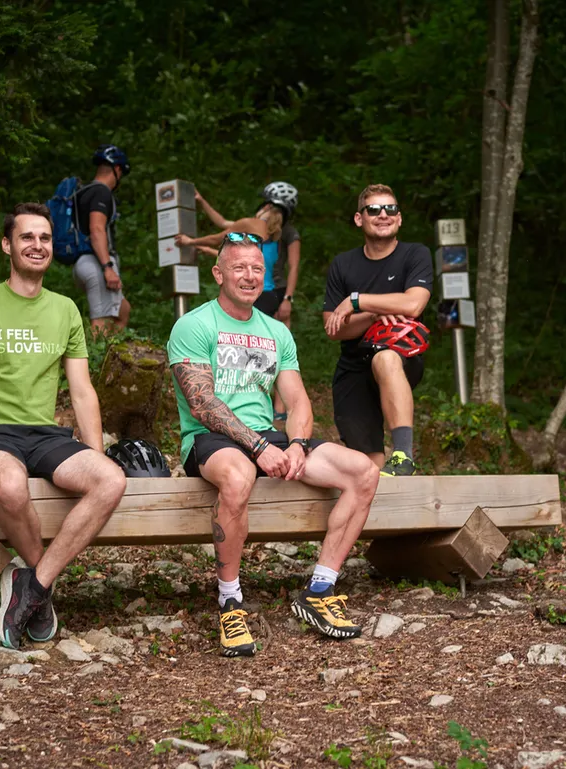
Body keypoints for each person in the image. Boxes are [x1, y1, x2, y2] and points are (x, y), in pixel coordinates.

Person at [168, 232, 380, 658]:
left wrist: (298, 444)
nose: (249, 276)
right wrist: (260, 447)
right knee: (239, 473)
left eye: (257, 269)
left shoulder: (275, 332)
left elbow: (299, 399)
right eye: (239, 267)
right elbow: (202, 403)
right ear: (219, 273)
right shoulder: (195, 324)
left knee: (364, 471)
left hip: (271, 437)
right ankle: (230, 601)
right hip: (211, 440)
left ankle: (320, 590)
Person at [0, 202, 127, 650]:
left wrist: (95, 450)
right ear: (8, 245)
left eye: (44, 238)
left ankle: (33, 586)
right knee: (10, 484)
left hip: (44, 434)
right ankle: (41, 590)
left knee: (111, 480)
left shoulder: (64, 310)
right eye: (27, 237)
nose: (37, 245)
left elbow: (81, 392)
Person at [323, 184, 433, 476]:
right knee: (367, 466)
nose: (383, 214)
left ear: (399, 218)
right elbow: (334, 328)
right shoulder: (343, 264)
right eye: (374, 209)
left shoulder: (415, 254)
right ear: (359, 218)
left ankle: (403, 455)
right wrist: (373, 314)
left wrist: (356, 301)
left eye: (391, 209)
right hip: (353, 363)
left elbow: (414, 304)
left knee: (384, 358)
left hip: (401, 353)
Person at [186, 182, 302, 421]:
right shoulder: (277, 233)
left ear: (266, 205)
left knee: (253, 347)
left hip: (260, 293)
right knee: (277, 349)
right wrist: (289, 297)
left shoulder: (255, 226)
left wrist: (191, 242)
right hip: (275, 292)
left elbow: (221, 235)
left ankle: (248, 399)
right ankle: (279, 409)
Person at [73, 144, 131, 334]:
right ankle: (94, 362)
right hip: (96, 263)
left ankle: (110, 358)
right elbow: (96, 228)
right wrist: (107, 268)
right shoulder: (102, 192)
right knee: (101, 324)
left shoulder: (83, 191)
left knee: (123, 311)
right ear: (117, 169)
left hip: (83, 262)